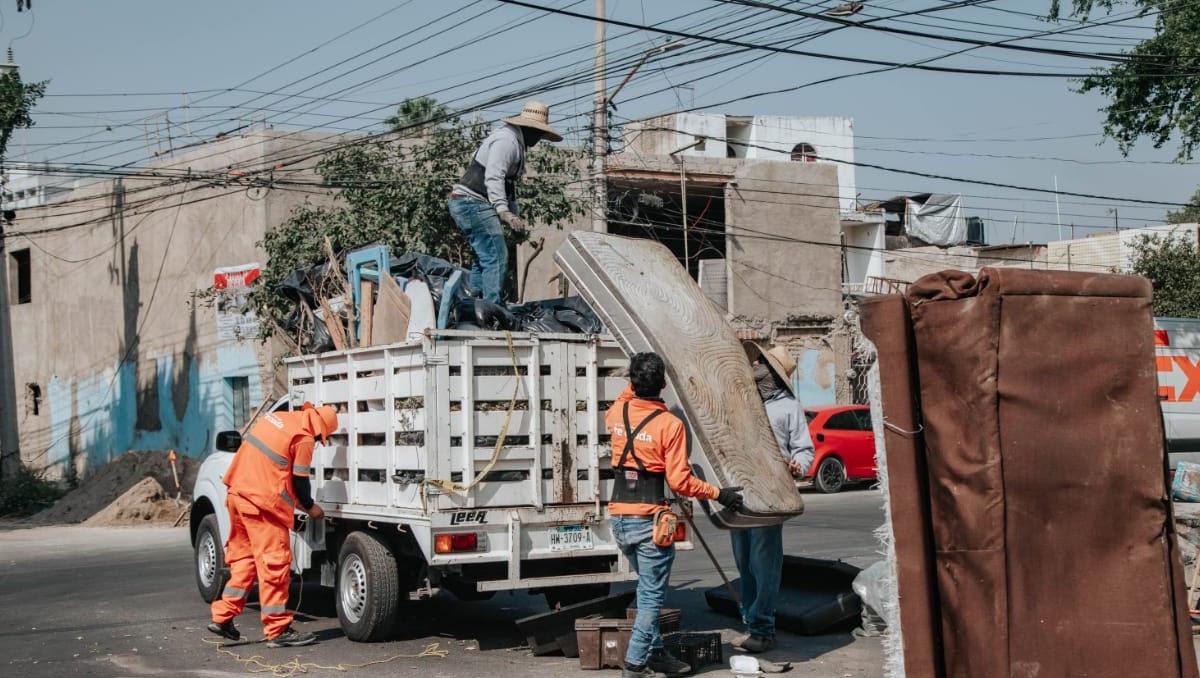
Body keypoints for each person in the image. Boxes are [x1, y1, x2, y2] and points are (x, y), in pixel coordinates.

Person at [607, 352, 745, 678]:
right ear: (664, 384)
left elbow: (628, 393)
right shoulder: (670, 424)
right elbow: (680, 481)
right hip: (648, 521)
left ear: (633, 381)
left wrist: (636, 375)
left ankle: (655, 653)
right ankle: (635, 663)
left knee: (646, 589)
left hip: (620, 518)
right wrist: (720, 493)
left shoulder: (616, 412)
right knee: (652, 597)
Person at [207, 402, 338, 648]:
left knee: (245, 560)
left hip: (237, 495)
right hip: (262, 505)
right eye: (323, 438)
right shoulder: (304, 438)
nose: (319, 441)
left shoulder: (276, 418)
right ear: (320, 430)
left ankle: (223, 617)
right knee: (274, 566)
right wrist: (311, 508)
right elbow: (300, 483)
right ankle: (278, 630)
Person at [731, 342, 815, 654]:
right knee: (744, 564)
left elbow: (804, 450)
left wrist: (798, 466)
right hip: (741, 492)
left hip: (770, 493)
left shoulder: (789, 407)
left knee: (763, 564)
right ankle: (751, 622)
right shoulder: (744, 401)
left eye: (760, 363)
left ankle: (763, 627)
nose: (753, 365)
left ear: (772, 374)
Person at [448, 99, 562, 305]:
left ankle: (475, 299)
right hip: (471, 201)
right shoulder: (506, 141)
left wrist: (513, 216)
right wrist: (503, 211)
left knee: (485, 255)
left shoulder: (516, 144)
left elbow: (509, 188)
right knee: (496, 256)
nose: (539, 139)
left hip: (470, 202)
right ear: (527, 128)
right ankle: (492, 308)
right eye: (538, 133)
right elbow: (494, 177)